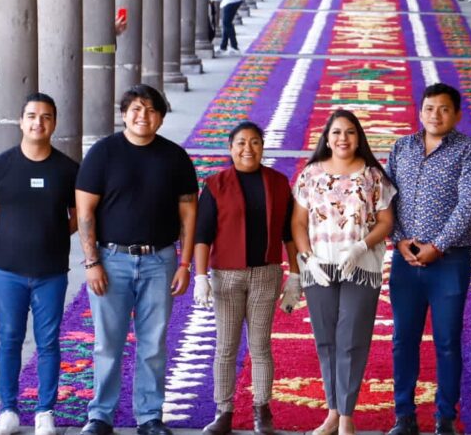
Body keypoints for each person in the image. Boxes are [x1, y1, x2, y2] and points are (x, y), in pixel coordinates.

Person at [76, 85, 198, 435]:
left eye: (150, 109)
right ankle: (100, 415)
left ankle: (149, 416)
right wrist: (91, 262)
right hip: (111, 260)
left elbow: (189, 213)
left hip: (160, 261)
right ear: (125, 113)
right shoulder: (103, 153)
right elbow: (85, 211)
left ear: (160, 116)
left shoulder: (175, 157)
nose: (142, 115)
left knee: (153, 342)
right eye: (136, 108)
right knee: (107, 342)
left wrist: (185, 263)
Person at [385, 84, 471, 435]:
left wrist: (438, 246)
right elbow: (387, 199)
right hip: (405, 259)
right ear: (420, 111)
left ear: (457, 114)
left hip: (449, 261)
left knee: (447, 340)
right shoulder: (402, 148)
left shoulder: (470, 152)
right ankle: (404, 416)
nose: (436, 115)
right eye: (430, 108)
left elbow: (469, 204)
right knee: (403, 339)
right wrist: (399, 241)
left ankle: (445, 417)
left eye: (444, 109)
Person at [292, 110, 396, 435]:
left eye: (350, 132)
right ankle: (332, 412)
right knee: (326, 340)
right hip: (319, 267)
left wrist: (361, 247)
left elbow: (386, 221)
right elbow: (297, 222)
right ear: (327, 137)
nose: (343, 139)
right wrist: (306, 259)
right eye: (336, 132)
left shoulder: (373, 176)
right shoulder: (310, 175)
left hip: (360, 266)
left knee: (352, 339)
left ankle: (347, 415)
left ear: (358, 137)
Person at [0, 93, 80, 435]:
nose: (38, 122)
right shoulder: (0, 166)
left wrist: (52, 233)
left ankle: (44, 411)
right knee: (9, 338)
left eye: (46, 117)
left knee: (49, 341)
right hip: (9, 270)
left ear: (54, 123)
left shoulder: (67, 169)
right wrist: (16, 236)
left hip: (51, 271)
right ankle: (9, 410)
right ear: (21, 121)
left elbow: (77, 215)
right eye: (32, 116)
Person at [194, 121, 299, 435]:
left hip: (266, 274)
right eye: (241, 143)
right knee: (226, 347)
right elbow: (202, 234)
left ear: (262, 147)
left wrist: (295, 273)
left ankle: (261, 411)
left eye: (255, 142)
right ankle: (223, 412)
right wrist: (200, 276)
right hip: (226, 276)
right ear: (230, 148)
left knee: (260, 346)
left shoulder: (279, 183)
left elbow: (288, 234)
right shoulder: (215, 184)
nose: (248, 149)